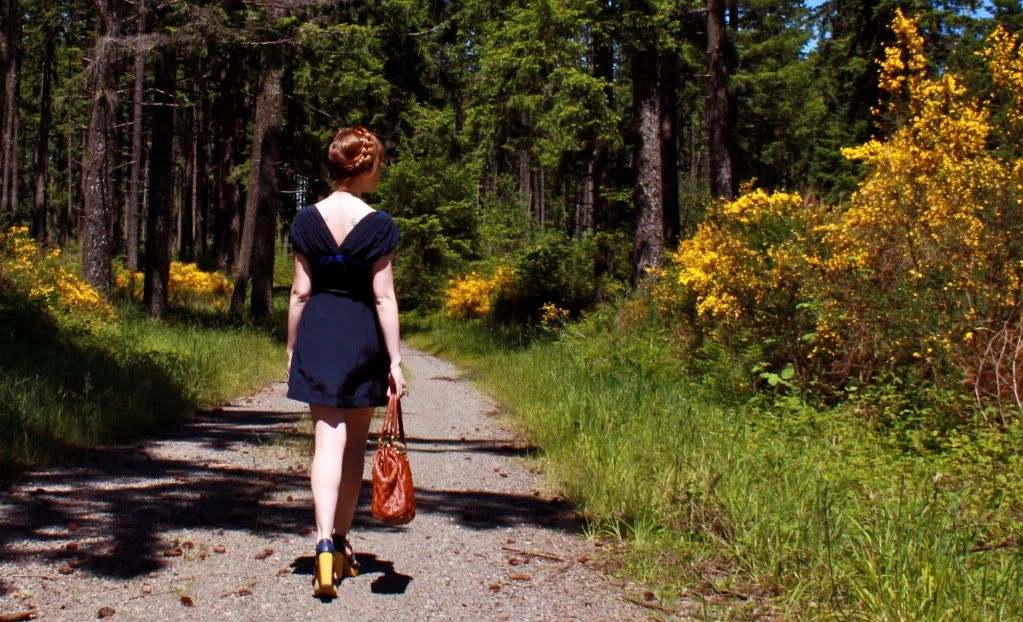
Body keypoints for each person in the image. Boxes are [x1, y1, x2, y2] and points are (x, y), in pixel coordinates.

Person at [286, 126, 405, 598]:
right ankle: (339, 540)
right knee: (354, 446)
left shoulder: (305, 220)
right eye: (378, 164)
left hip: (318, 331)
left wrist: (293, 345)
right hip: (360, 338)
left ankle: (320, 543)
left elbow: (300, 290)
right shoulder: (379, 224)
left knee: (325, 443)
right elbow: (383, 297)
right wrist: (395, 360)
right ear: (366, 167)